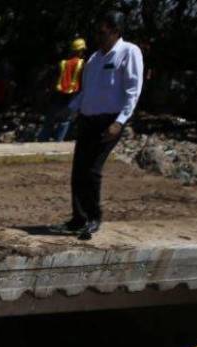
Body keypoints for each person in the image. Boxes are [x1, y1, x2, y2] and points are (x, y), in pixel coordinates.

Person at [63, 11, 143, 240]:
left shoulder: (129, 52)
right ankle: (77, 218)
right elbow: (87, 91)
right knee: (78, 170)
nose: (98, 36)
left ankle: (93, 217)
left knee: (92, 170)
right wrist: (72, 108)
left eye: (102, 32)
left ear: (116, 31)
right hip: (87, 120)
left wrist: (120, 121)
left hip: (109, 122)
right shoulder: (94, 59)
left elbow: (133, 90)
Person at [39, 38, 87, 142]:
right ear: (81, 51)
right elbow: (84, 84)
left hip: (57, 96)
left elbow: (52, 82)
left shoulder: (62, 63)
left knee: (49, 123)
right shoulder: (83, 65)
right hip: (72, 98)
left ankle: (41, 144)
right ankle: (57, 145)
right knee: (64, 122)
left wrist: (48, 96)